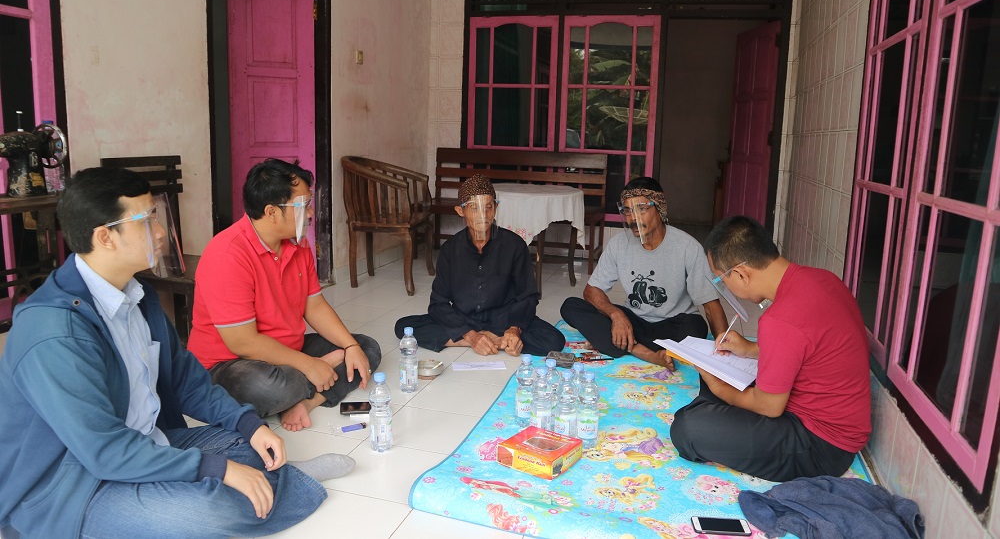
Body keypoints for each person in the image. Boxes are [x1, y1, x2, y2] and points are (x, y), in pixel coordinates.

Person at [0, 167, 344, 539]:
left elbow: (188, 382)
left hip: (146, 442)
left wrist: (249, 425)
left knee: (246, 443)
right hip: (74, 486)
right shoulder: (54, 332)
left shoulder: (137, 296)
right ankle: (273, 483)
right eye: (147, 220)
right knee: (210, 510)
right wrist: (220, 471)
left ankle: (258, 481)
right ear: (105, 237)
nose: (161, 232)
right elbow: (104, 450)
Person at [670, 215, 871, 482]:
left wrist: (719, 389)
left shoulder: (779, 320)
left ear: (741, 274)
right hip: (826, 418)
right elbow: (808, 348)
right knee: (718, 378)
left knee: (687, 429)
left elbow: (769, 407)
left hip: (821, 445)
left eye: (721, 280)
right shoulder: (823, 278)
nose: (725, 287)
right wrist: (750, 349)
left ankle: (710, 414)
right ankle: (715, 413)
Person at [188, 158, 380, 432]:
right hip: (230, 364)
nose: (311, 213)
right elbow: (243, 342)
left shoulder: (299, 245)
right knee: (271, 387)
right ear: (272, 212)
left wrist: (350, 347)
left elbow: (314, 306)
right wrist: (309, 365)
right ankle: (310, 380)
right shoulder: (227, 254)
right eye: (304, 205)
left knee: (366, 348)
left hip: (287, 350)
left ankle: (308, 401)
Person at [560, 177, 728, 367]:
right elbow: (592, 290)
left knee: (696, 327)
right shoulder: (618, 244)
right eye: (627, 210)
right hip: (634, 322)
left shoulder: (688, 247)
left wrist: (724, 351)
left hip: (673, 325)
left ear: (660, 208)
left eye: (641, 208)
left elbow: (711, 306)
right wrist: (616, 315)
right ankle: (645, 352)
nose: (633, 218)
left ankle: (617, 343)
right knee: (571, 306)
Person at [395, 174, 565, 355]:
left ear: (496, 208)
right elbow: (438, 303)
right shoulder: (450, 249)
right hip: (464, 320)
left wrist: (514, 329)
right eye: (474, 208)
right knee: (403, 327)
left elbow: (528, 297)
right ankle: (485, 342)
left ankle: (494, 338)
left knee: (554, 340)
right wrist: (471, 336)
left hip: (504, 320)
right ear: (460, 211)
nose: (483, 215)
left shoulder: (514, 245)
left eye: (488, 207)